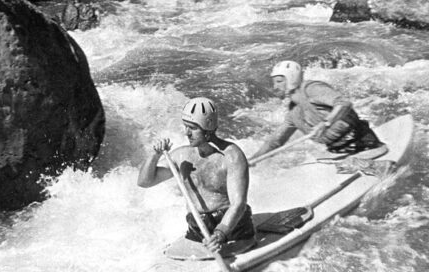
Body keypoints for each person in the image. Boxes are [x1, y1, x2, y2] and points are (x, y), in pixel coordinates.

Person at [138, 97, 255, 253]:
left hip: (233, 229)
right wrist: (154, 155)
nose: (187, 133)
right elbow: (145, 182)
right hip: (198, 229)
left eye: (192, 128)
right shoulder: (181, 156)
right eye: (186, 126)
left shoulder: (232, 156)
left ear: (208, 128)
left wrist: (220, 234)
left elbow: (238, 204)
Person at [251, 60, 387, 160]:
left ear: (291, 78)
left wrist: (326, 123)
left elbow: (344, 103)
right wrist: (251, 161)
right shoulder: (294, 112)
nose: (275, 87)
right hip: (337, 151)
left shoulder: (312, 89)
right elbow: (275, 141)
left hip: (363, 144)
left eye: (279, 81)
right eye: (274, 82)